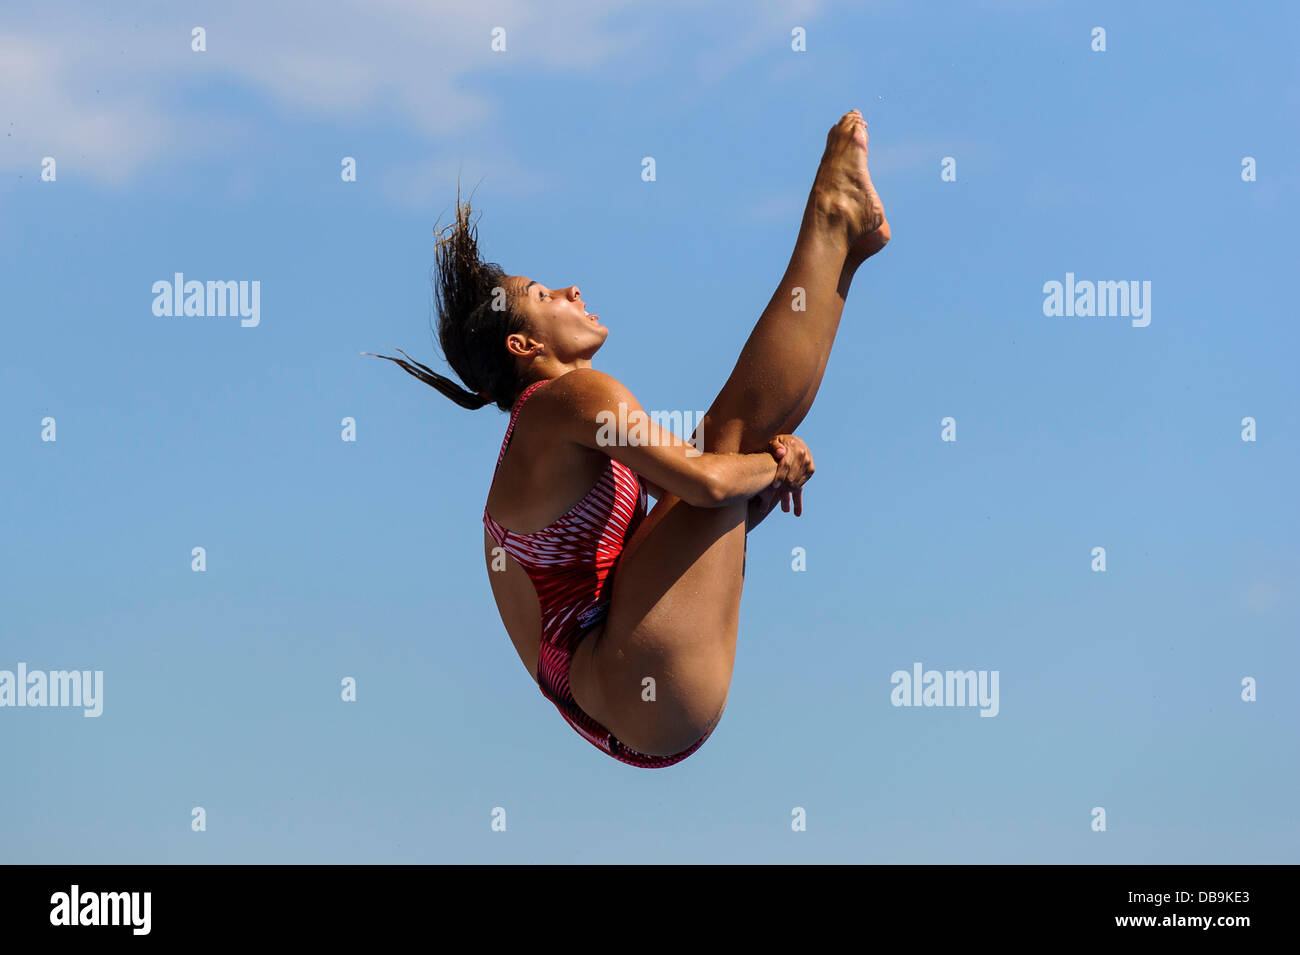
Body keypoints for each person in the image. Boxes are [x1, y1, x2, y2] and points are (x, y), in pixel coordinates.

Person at [368, 109, 889, 768]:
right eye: (545, 293)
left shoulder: (561, 431)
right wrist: (772, 470)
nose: (571, 289)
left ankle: (842, 239)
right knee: (728, 437)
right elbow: (708, 481)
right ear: (524, 344)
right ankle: (836, 222)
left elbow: (704, 506)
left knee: (731, 442)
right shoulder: (571, 401)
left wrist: (757, 487)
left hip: (637, 705)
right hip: (634, 678)